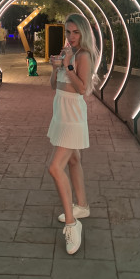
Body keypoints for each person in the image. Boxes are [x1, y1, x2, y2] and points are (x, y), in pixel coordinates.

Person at [47, 13, 98, 255]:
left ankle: (72, 224)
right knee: (74, 160)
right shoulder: (68, 52)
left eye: (76, 32)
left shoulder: (83, 55)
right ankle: (82, 206)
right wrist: (54, 68)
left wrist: (68, 65)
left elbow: (82, 89)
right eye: (68, 32)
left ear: (84, 32)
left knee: (55, 168)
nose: (71, 36)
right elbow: (53, 85)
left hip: (72, 114)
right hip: (60, 111)